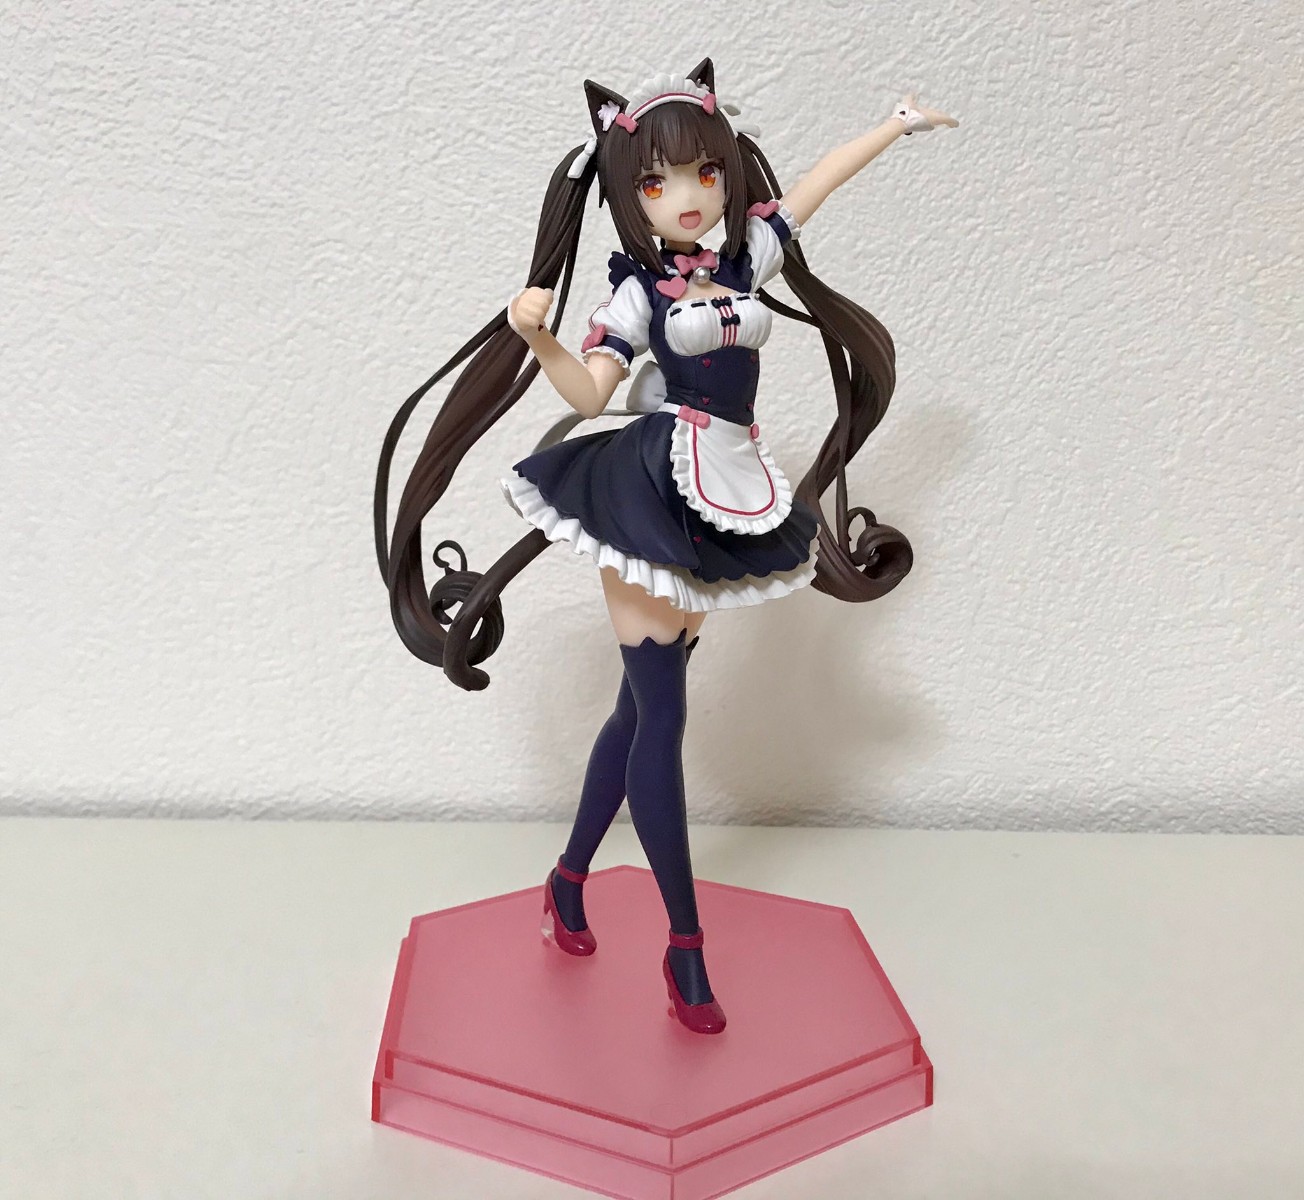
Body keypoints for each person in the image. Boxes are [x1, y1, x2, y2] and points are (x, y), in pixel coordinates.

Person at [375, 59, 957, 1033]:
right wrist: (537, 338)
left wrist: (892, 126)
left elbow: (813, 185)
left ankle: (567, 883)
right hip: (649, 491)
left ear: (725, 171)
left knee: (636, 713)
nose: (685, 196)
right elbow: (589, 393)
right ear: (628, 193)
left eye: (703, 173)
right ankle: (684, 945)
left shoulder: (746, 257)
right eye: (656, 182)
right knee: (663, 718)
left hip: (724, 489)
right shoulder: (639, 294)